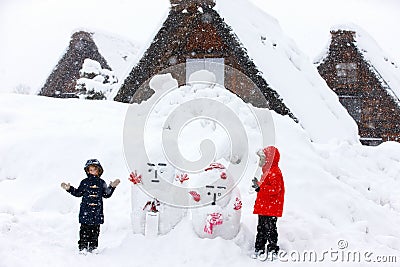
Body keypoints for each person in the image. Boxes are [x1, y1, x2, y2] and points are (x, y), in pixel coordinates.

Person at [61, 159, 120, 253]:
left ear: (99, 171)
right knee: (84, 230)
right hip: (86, 211)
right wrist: (69, 189)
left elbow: (106, 194)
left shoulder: (101, 183)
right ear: (87, 171)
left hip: (97, 212)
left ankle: (93, 247)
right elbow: (78, 193)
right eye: (90, 170)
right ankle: (83, 247)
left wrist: (112, 187)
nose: (92, 172)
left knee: (95, 231)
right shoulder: (84, 182)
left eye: (95, 170)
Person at [251, 146, 285, 260]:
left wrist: (260, 187)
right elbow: (266, 187)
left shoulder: (275, 171)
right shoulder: (267, 171)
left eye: (263, 158)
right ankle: (259, 248)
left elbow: (275, 189)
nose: (261, 160)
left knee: (270, 229)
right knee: (261, 228)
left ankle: (273, 249)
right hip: (264, 206)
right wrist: (258, 185)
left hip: (271, 207)